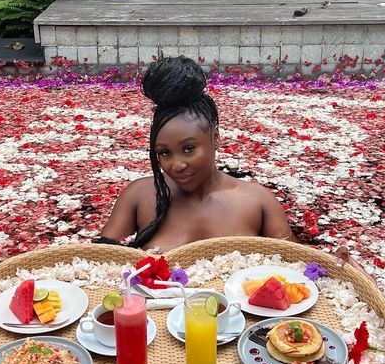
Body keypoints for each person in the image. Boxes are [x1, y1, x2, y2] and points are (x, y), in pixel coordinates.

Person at [98, 56, 295, 252]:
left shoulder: (257, 201)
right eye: (165, 153)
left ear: (215, 137)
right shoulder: (138, 197)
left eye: (188, 149)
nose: (177, 165)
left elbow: (299, 267)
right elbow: (103, 264)